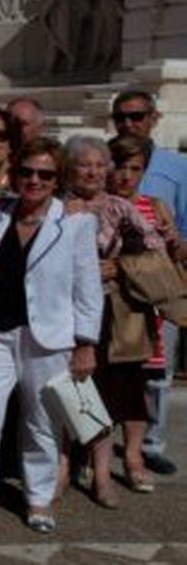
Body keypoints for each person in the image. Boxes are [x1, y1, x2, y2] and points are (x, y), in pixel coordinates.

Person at [0, 138, 101, 541]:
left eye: (45, 174)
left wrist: (85, 342)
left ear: (58, 179)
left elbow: (88, 288)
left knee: (42, 421)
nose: (34, 180)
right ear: (14, 174)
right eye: (26, 172)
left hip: (49, 337)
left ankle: (39, 497)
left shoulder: (75, 222)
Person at [60, 135, 163, 508]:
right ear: (69, 169)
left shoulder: (119, 207)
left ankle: (102, 473)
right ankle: (64, 466)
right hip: (63, 309)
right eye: (84, 164)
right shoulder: (57, 206)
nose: (92, 172)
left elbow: (155, 249)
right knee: (66, 389)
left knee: (104, 391)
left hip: (109, 311)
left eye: (99, 165)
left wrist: (120, 266)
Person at [110, 88, 186, 475]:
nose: (129, 123)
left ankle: (150, 445)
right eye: (121, 116)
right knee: (112, 369)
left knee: (157, 371)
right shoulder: (106, 159)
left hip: (157, 283)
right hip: (113, 289)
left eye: (137, 115)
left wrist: (176, 247)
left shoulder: (177, 167)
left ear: (154, 118)